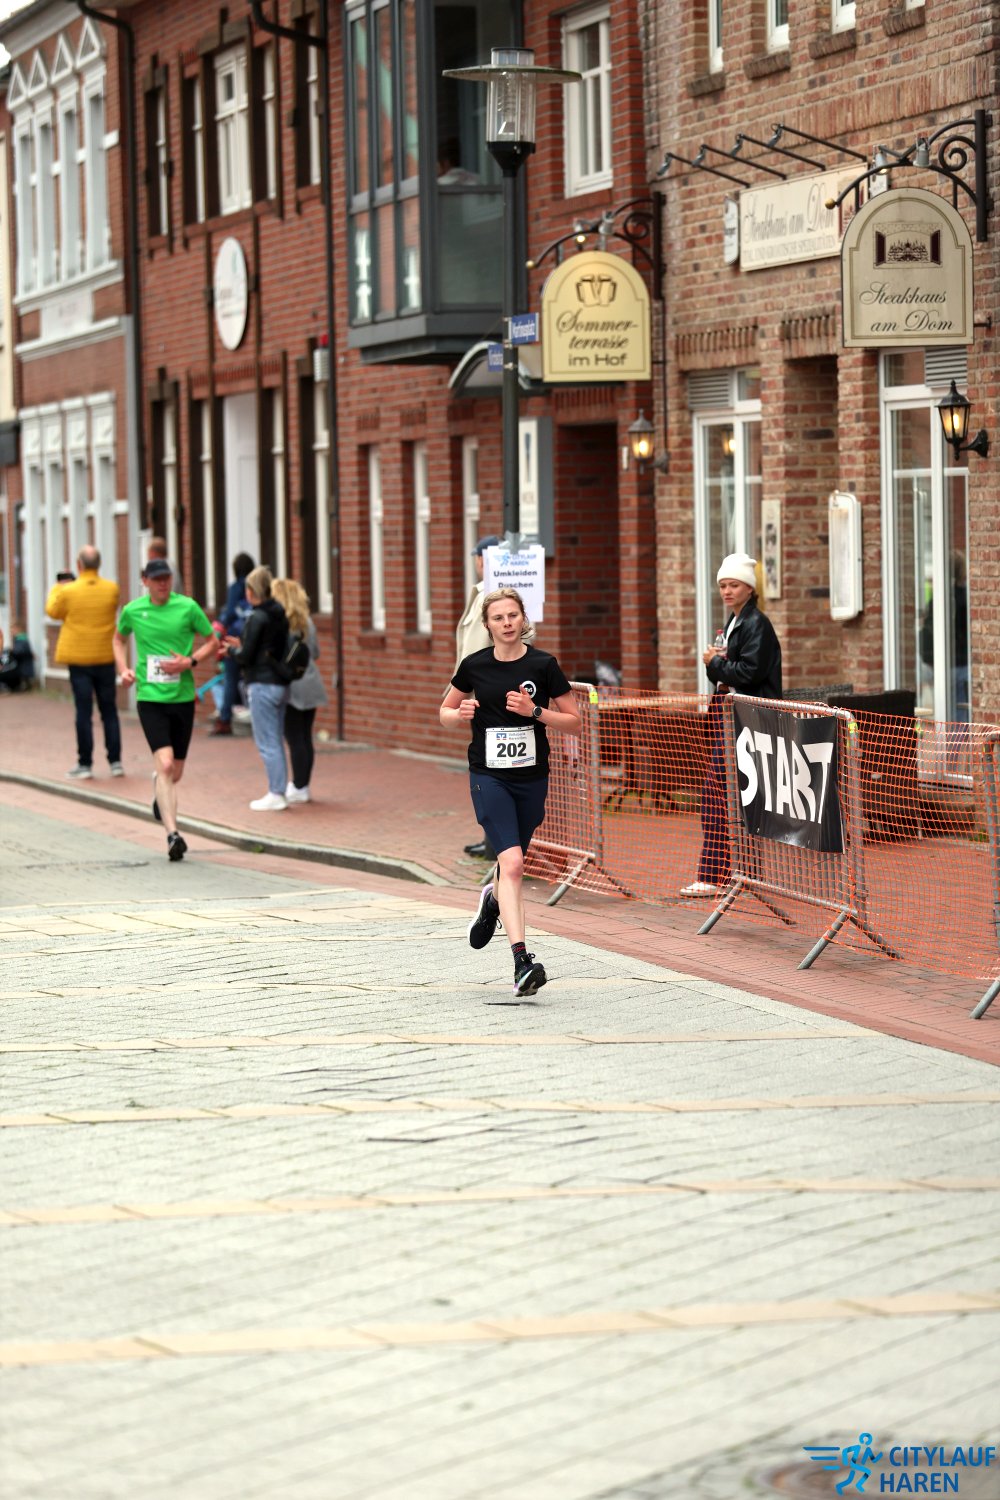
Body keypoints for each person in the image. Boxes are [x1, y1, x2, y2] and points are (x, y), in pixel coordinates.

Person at [441, 586, 581, 998]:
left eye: (513, 616)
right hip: (489, 777)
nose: (506, 623)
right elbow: (444, 711)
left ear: (523, 619)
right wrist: (459, 713)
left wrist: (534, 711)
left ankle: (493, 900)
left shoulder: (543, 664)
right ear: (488, 625)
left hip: (531, 779)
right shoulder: (474, 665)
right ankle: (522, 962)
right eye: (498, 618)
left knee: (510, 865)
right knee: (515, 864)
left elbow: (574, 721)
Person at [682, 552, 782, 897]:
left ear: (750, 588)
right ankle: (740, 871)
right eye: (723, 585)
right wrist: (717, 664)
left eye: (734, 585)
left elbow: (749, 673)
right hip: (733, 718)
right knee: (725, 795)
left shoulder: (756, 624)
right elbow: (731, 672)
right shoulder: (736, 621)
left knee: (718, 794)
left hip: (748, 720)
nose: (726, 591)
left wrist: (714, 663)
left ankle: (717, 873)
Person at [113, 558, 217, 861]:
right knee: (167, 765)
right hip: (150, 698)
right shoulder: (133, 610)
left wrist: (190, 661)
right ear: (144, 581)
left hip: (182, 697)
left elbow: (212, 641)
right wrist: (124, 670)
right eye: (157, 579)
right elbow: (119, 639)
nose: (163, 584)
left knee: (174, 772)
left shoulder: (187, 608)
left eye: (167, 578)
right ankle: (173, 835)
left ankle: (159, 786)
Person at [45, 545, 123, 780]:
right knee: (109, 710)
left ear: (79, 565)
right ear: (99, 564)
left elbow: (52, 611)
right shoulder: (112, 589)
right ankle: (116, 762)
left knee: (83, 710)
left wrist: (58, 587)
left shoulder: (68, 591)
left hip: (79, 659)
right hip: (104, 656)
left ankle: (85, 763)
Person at [223, 565, 290, 811]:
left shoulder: (257, 616)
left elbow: (247, 655)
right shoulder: (279, 614)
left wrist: (231, 651)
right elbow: (266, 646)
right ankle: (280, 789)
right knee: (276, 739)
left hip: (262, 684)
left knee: (266, 741)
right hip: (280, 684)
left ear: (251, 591)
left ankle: (276, 792)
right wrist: (242, 645)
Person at [454, 535, 501, 860]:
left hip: (487, 696)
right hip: (476, 693)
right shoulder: (483, 593)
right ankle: (489, 839)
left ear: (483, 559)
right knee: (484, 768)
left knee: (491, 769)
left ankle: (495, 842)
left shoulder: (493, 597)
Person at [272, 576, 327, 803]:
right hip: (311, 681)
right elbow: (315, 652)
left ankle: (299, 786)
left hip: (291, 684)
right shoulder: (307, 622)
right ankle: (303, 784)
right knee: (305, 736)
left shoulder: (280, 623)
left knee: (294, 737)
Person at [209, 551, 255, 736]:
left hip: (234, 638)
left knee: (230, 678)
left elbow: (228, 614)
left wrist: (219, 629)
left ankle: (225, 720)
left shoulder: (235, 588)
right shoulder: (256, 588)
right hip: (253, 637)